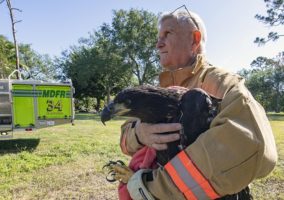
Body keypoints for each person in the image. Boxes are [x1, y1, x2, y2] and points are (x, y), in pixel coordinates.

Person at [119, 7, 278, 200]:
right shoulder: (156, 90)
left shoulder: (221, 83)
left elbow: (255, 146)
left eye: (167, 33)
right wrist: (139, 133)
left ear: (194, 39)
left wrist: (154, 188)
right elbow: (125, 143)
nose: (158, 44)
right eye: (158, 36)